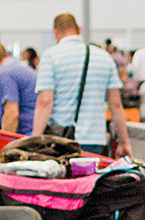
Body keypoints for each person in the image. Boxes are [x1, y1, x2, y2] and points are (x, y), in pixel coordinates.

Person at [32, 13, 133, 158]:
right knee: (89, 180)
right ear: (79, 29)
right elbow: (116, 104)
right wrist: (124, 143)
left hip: (62, 140)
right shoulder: (104, 58)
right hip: (95, 139)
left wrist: (35, 140)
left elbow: (45, 102)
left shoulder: (50, 57)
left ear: (55, 32)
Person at [0, 42, 37, 136]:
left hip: (27, 135)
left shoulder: (5, 73)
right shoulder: (13, 66)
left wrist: (5, 144)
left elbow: (11, 113)